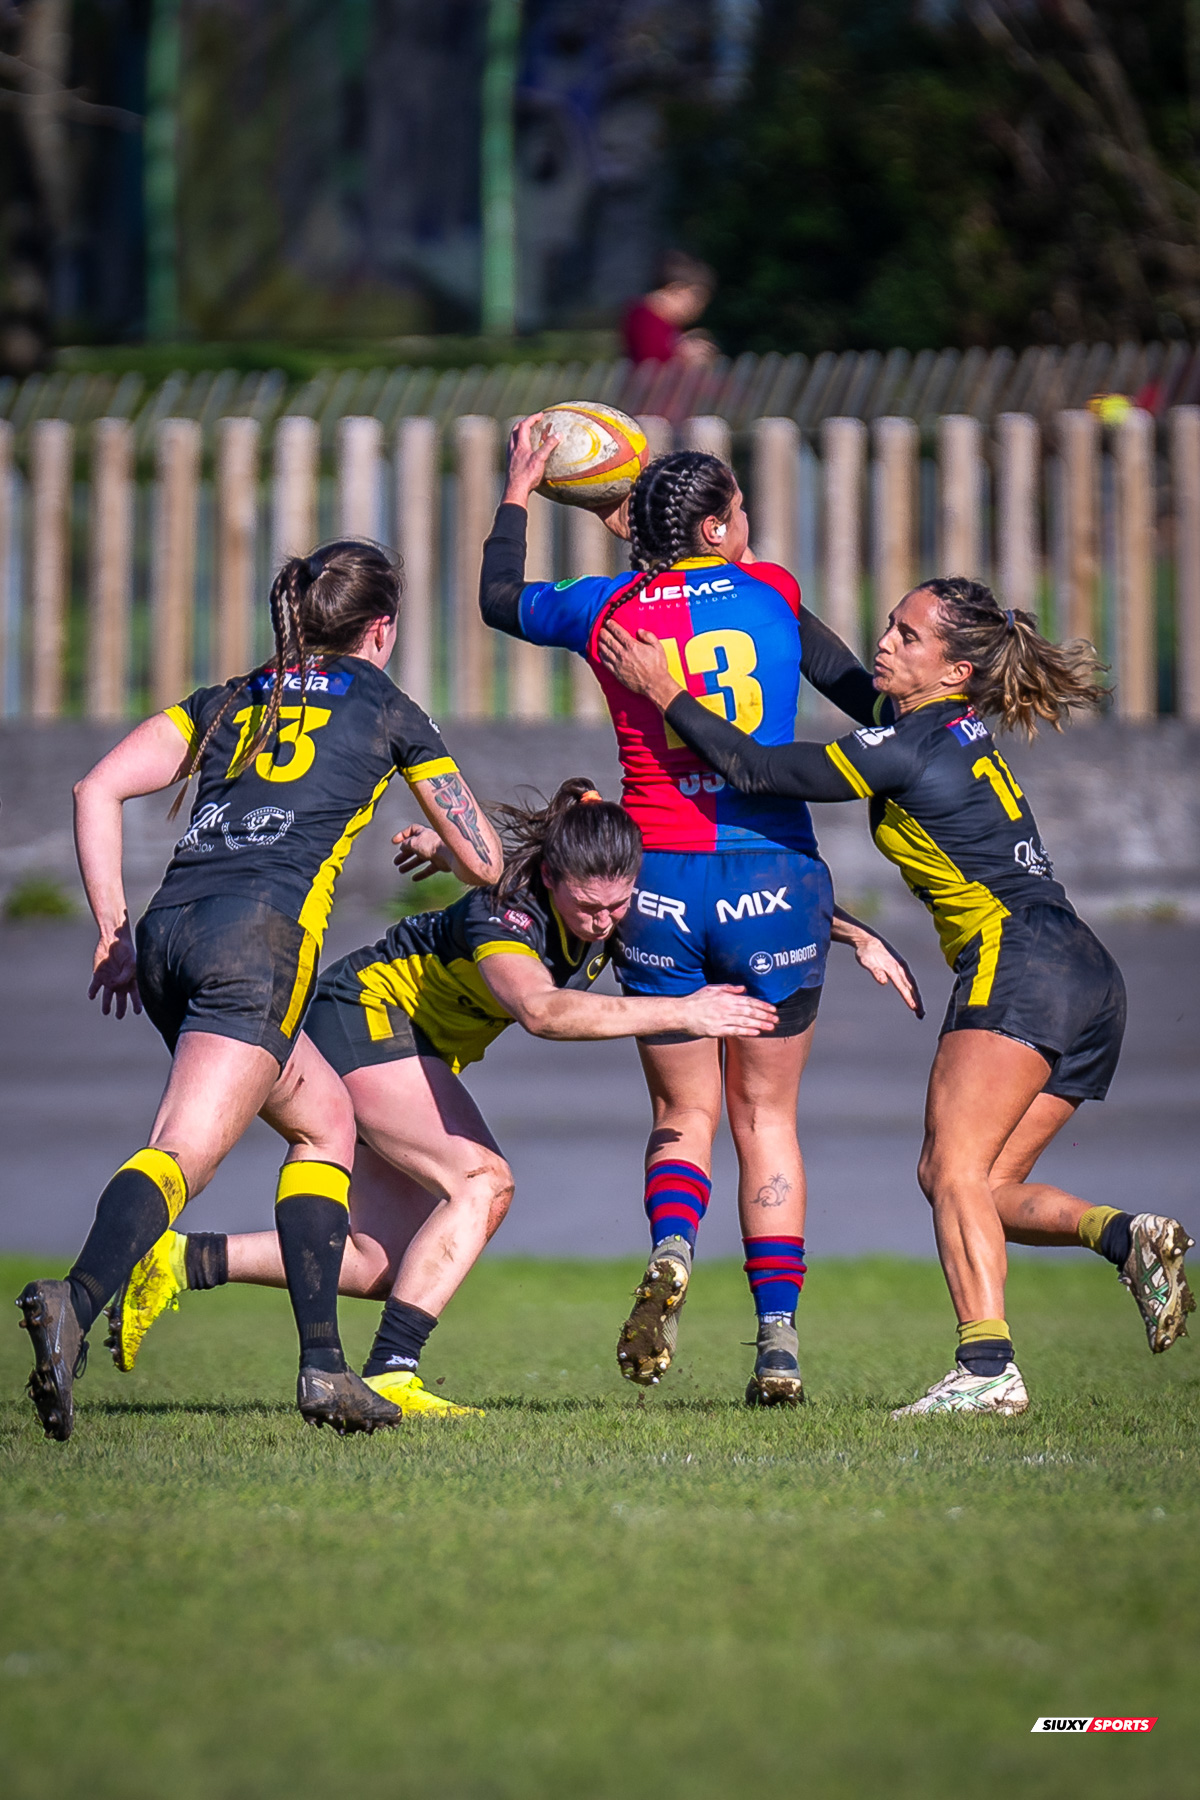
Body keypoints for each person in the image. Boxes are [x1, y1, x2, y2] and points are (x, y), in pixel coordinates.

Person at [598, 576, 1196, 1416]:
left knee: (950, 1171)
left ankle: (987, 1368)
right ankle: (1126, 1234)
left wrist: (664, 690)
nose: (884, 642)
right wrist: (749, 574)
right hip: (1086, 972)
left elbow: (756, 768)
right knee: (980, 1189)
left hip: (1019, 962)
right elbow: (839, 670)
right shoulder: (940, 724)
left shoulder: (906, 746)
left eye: (908, 636)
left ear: (955, 671)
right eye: (890, 625)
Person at [18, 539, 503, 1442]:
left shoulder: (235, 695)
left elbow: (95, 788)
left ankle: (324, 1368)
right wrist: (447, 848)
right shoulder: (389, 708)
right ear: (382, 629)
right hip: (258, 946)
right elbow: (487, 861)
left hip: (167, 936)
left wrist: (114, 932)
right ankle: (74, 1299)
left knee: (327, 1122)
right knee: (185, 1150)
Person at [479, 422, 921, 1407]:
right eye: (739, 509)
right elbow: (867, 699)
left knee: (685, 1112)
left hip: (660, 882)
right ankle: (778, 1342)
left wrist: (520, 486)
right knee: (768, 1118)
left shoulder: (605, 610)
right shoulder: (773, 590)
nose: (748, 521)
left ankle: (673, 1249)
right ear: (718, 525)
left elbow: (499, 597)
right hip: (775, 880)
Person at [107, 781, 779, 1415]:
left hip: (410, 1046)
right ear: (551, 878)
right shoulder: (505, 917)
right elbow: (542, 1011)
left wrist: (825, 924)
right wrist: (685, 1012)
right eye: (588, 908)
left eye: (618, 905)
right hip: (363, 1016)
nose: (604, 923)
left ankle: (177, 1260)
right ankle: (392, 1374)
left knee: (383, 1263)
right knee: (482, 1180)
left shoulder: (578, 881)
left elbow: (512, 860)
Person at [622, 250, 718, 369]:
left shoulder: (665, 322)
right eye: (696, 300)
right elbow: (651, 361)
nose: (697, 310)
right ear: (677, 289)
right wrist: (684, 355)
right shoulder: (645, 318)